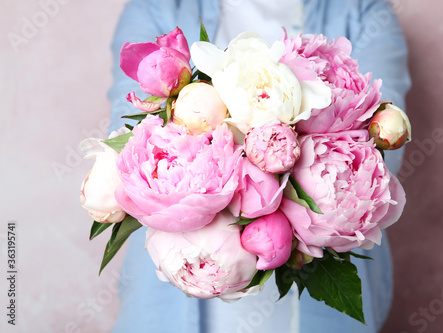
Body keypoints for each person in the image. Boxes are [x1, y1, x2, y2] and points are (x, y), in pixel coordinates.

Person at [107, 1, 411, 332]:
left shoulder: (362, 10)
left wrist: (273, 155)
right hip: (179, 289)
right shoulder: (159, 7)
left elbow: (380, 157)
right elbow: (130, 141)